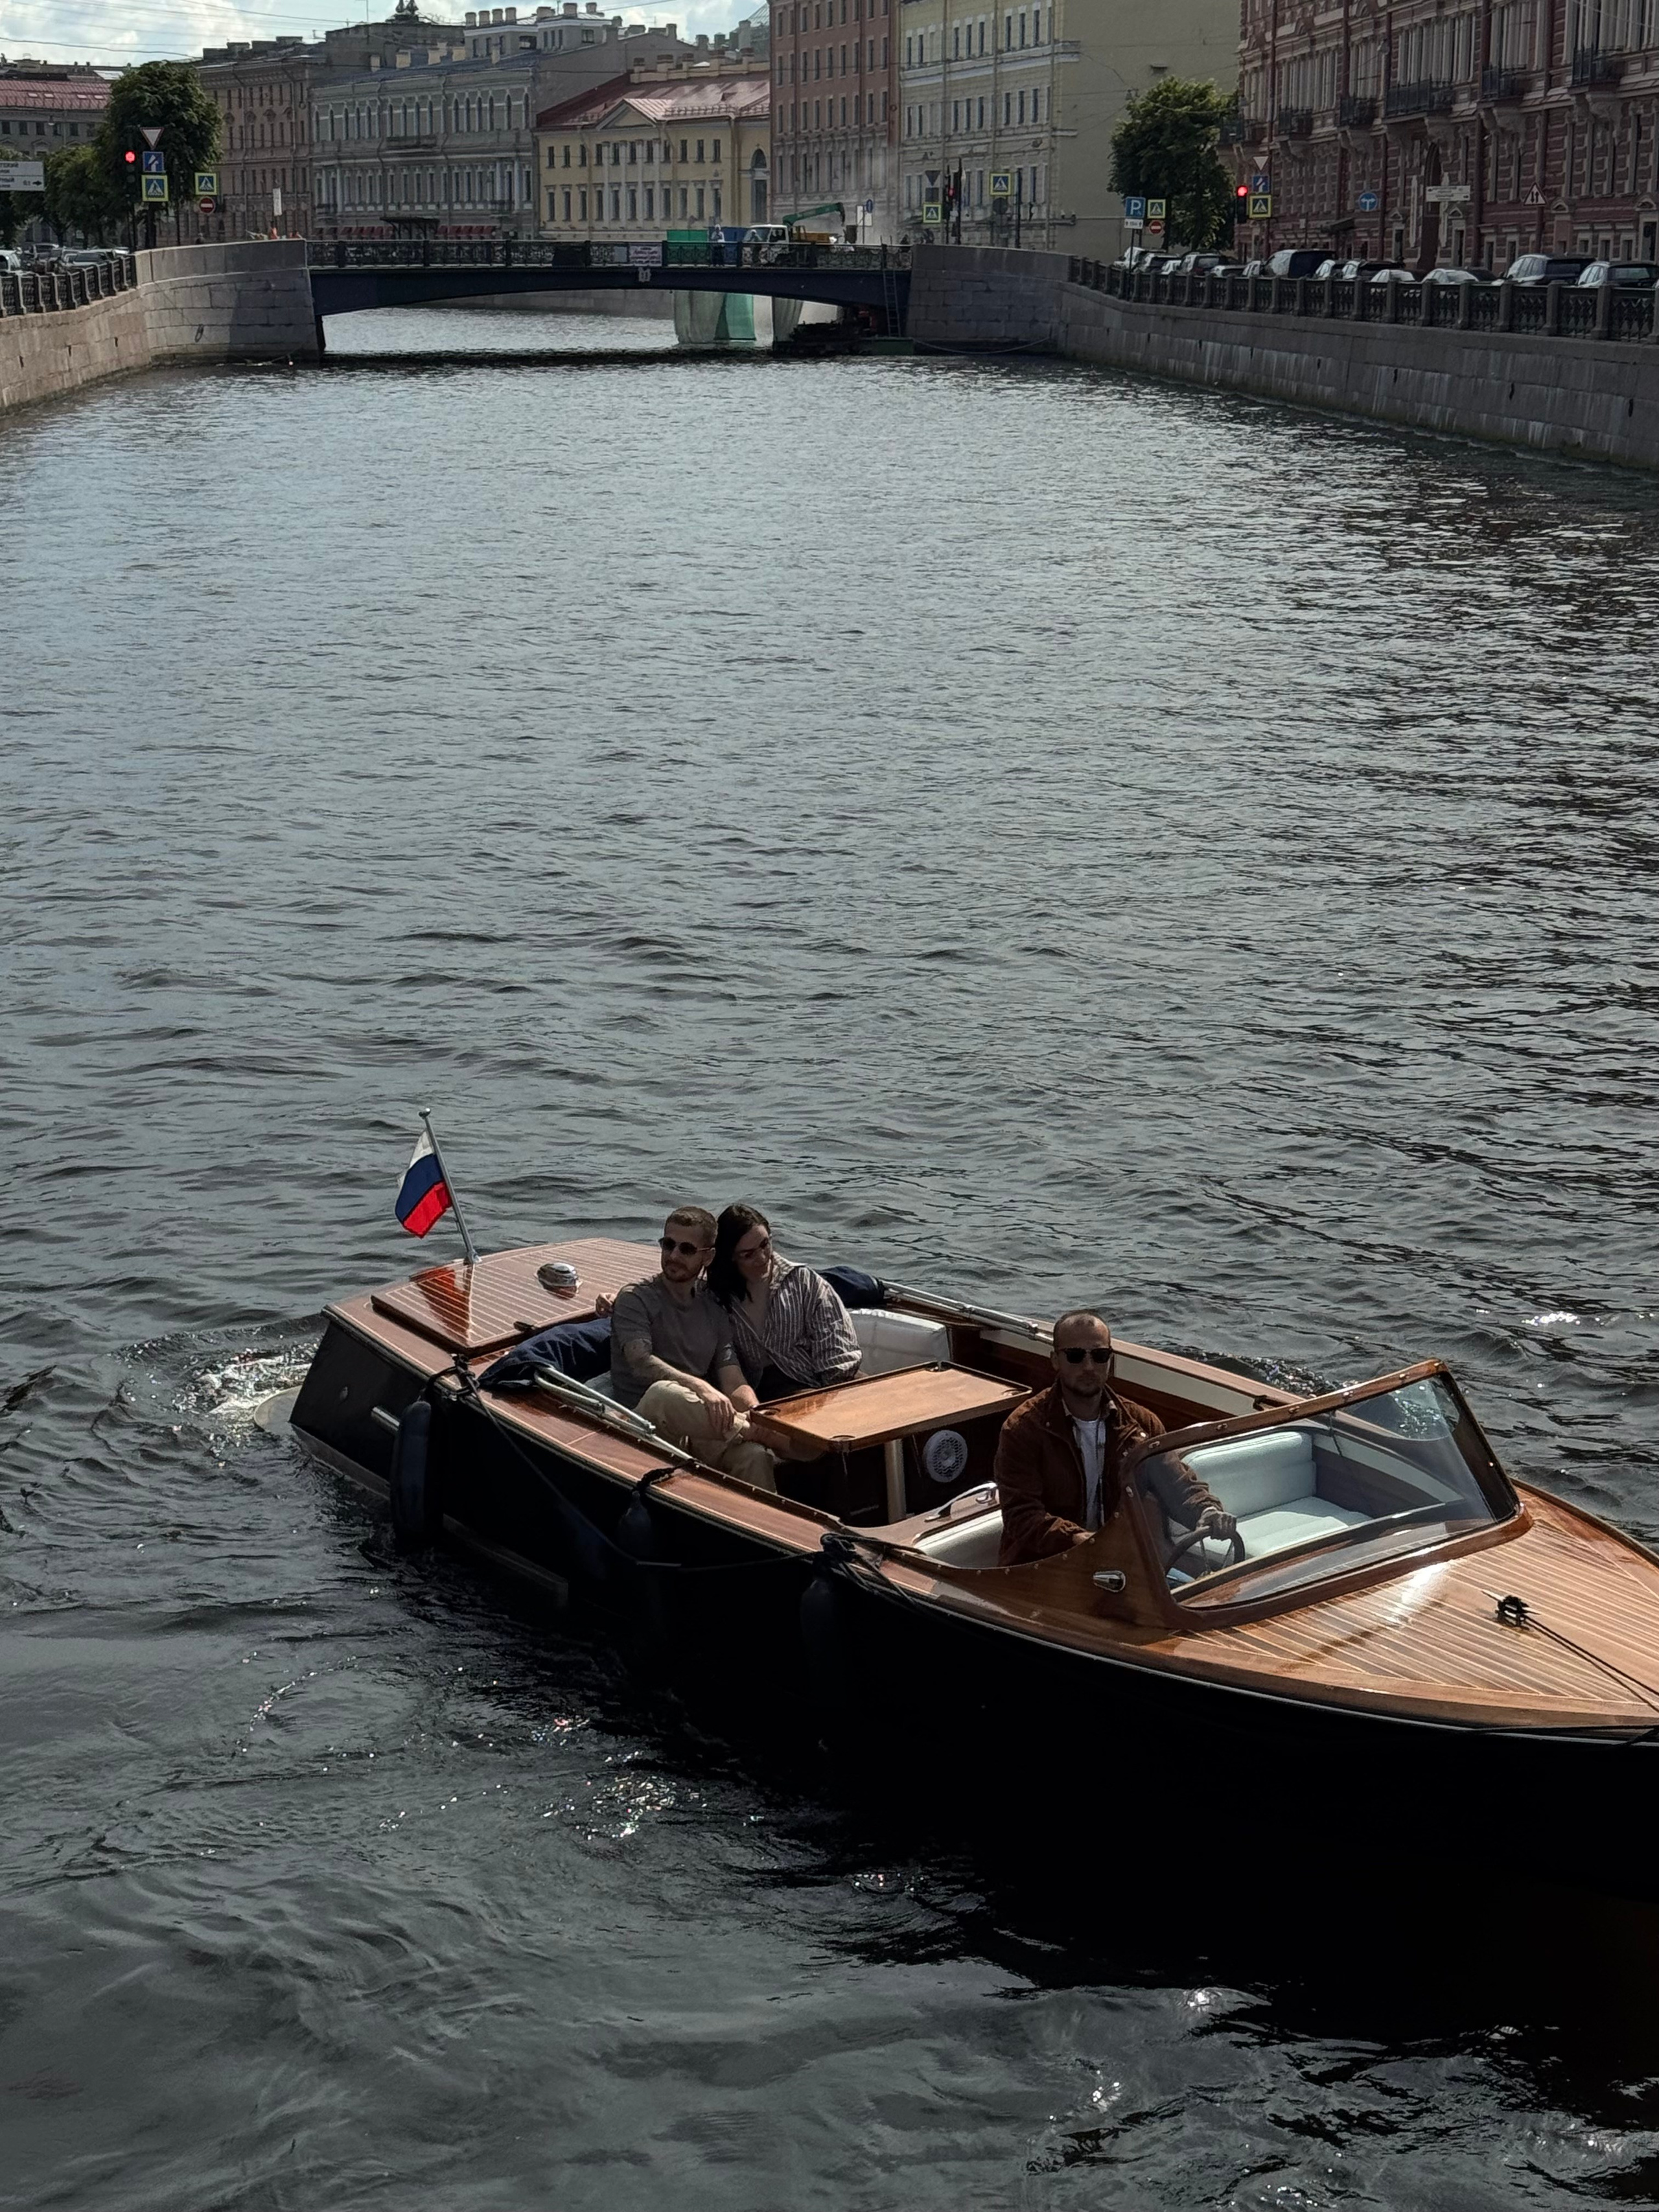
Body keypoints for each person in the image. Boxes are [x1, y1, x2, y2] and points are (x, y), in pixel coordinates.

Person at [995, 1308, 1236, 1569]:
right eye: (1075, 1356)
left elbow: (1178, 1484)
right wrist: (1081, 1540)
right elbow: (1021, 1516)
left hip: (1119, 1563)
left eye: (1099, 1356)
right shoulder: (1024, 1429)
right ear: (1055, 1360)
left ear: (1111, 1361)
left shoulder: (1141, 1425)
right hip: (1044, 1566)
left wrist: (1207, 1511)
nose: (1089, 1367)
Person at [609, 1205, 777, 1491]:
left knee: (754, 1456)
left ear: (708, 1256)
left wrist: (756, 1412)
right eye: (668, 1244)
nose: (674, 1255)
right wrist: (702, 1388)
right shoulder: (635, 1299)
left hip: (697, 1429)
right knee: (663, 1393)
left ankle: (770, 1529)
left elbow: (731, 1377)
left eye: (686, 1249)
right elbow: (640, 1362)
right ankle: (763, 1435)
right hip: (640, 1424)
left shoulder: (713, 1306)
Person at [705, 1204, 862, 1403]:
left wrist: (837, 1390)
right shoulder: (716, 1299)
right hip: (767, 1390)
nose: (762, 1257)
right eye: (748, 1254)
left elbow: (834, 1337)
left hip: (821, 1376)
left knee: (889, 1398)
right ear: (731, 1258)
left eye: (765, 1244)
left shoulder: (803, 1280)